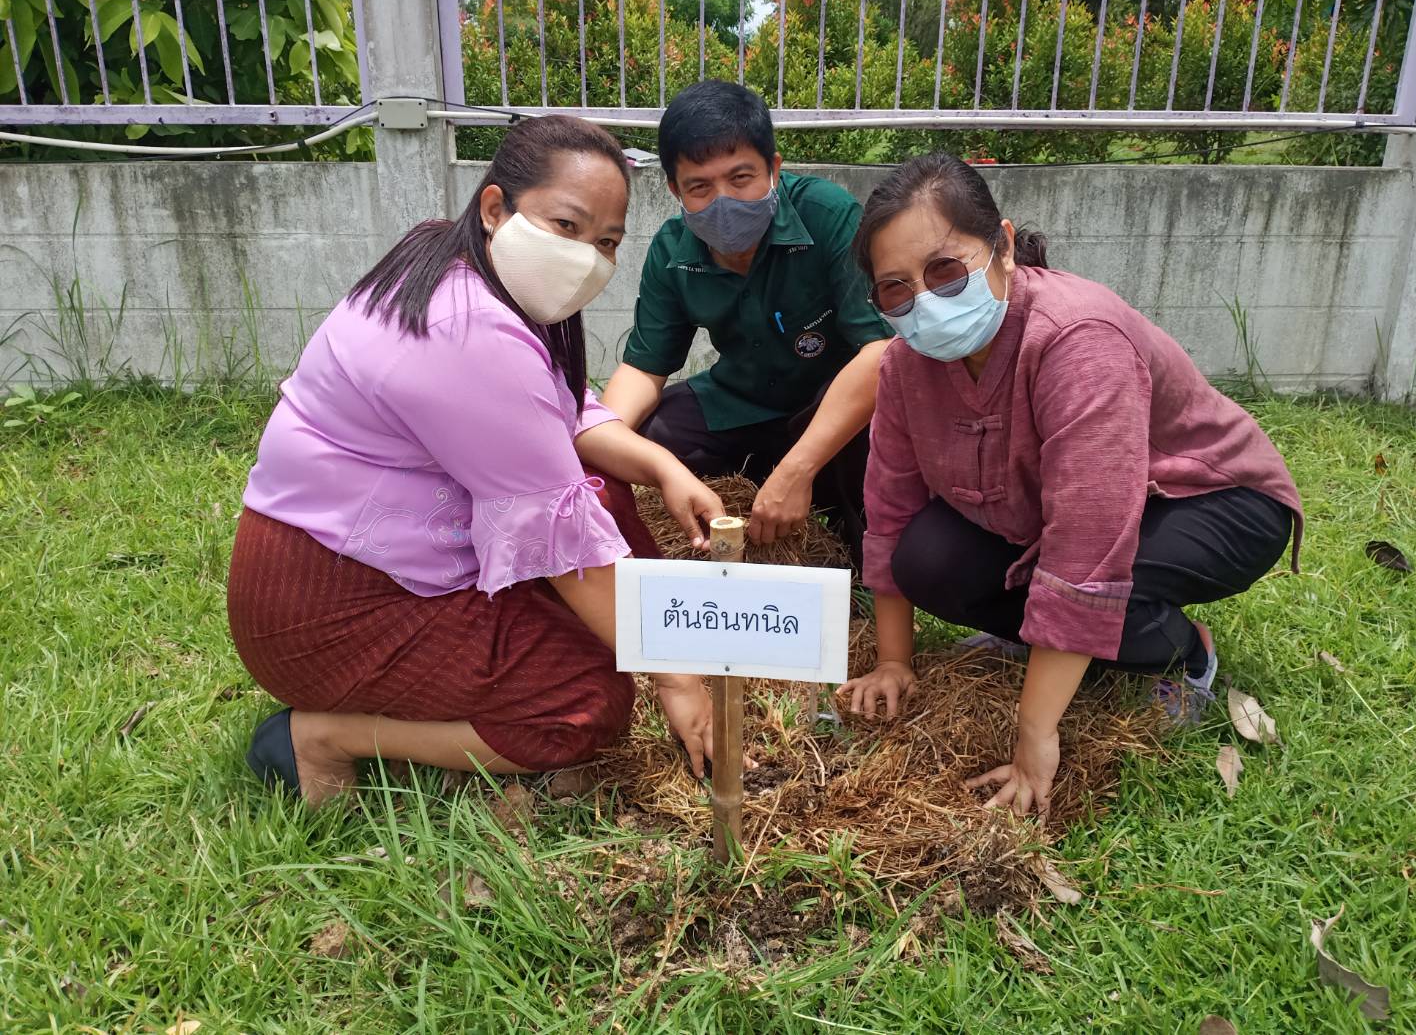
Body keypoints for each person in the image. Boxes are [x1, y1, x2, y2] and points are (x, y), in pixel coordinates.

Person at [227, 115, 726, 805]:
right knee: (581, 706)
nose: (588, 259)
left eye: (607, 242)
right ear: (496, 208)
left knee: (602, 517)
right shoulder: (463, 327)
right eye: (567, 226)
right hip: (330, 607)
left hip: (374, 564)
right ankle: (326, 736)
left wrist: (663, 467)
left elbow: (556, 411)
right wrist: (675, 677)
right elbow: (558, 539)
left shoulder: (453, 262)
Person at [836, 153, 1303, 819]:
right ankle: (1049, 639)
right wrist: (892, 661)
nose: (923, 302)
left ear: (1000, 245)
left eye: (943, 270)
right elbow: (888, 510)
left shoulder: (1076, 339)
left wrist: (1034, 733)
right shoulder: (907, 369)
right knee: (925, 558)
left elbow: (1087, 548)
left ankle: (1177, 651)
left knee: (1103, 581)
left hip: (1208, 501)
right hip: (1063, 516)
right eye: (895, 289)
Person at [600, 81, 892, 558]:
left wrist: (796, 470)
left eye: (741, 178)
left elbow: (879, 352)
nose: (724, 201)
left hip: (827, 406)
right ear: (674, 189)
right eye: (700, 187)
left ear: (773, 169)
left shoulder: (828, 216)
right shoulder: (672, 250)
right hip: (739, 403)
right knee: (654, 430)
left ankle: (853, 551)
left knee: (871, 423)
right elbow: (644, 368)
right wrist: (605, 433)